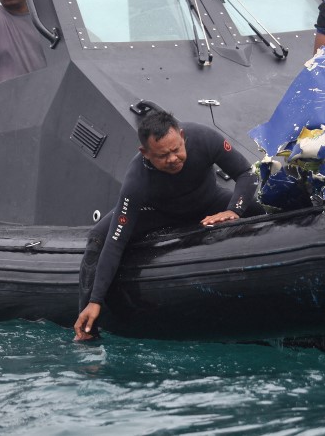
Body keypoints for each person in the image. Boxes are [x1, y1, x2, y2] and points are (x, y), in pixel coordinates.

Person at [73, 110, 257, 341]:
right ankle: (87, 327)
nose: (172, 159)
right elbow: (115, 242)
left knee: (259, 208)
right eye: (162, 155)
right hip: (160, 213)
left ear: (182, 136)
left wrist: (233, 211)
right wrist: (95, 300)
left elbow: (247, 173)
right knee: (98, 236)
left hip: (208, 202)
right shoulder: (136, 179)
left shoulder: (203, 138)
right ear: (145, 153)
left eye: (176, 149)